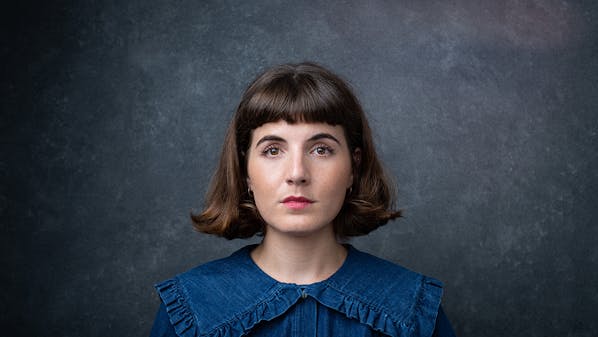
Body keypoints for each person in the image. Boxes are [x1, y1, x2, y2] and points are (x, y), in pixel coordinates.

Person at [149, 62, 456, 337]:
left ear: (354, 167)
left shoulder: (410, 310)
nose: (297, 174)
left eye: (321, 149)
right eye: (273, 150)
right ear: (245, 172)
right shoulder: (192, 309)